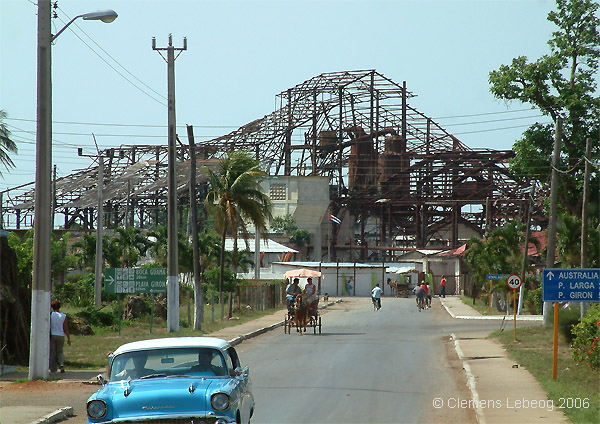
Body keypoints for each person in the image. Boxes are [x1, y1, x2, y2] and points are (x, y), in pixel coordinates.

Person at [49, 299, 71, 373]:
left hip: (52, 334)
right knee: (60, 351)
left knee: (52, 352)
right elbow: (66, 328)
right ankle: (61, 365)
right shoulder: (63, 316)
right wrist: (68, 338)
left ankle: (53, 368)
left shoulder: (51, 315)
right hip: (61, 335)